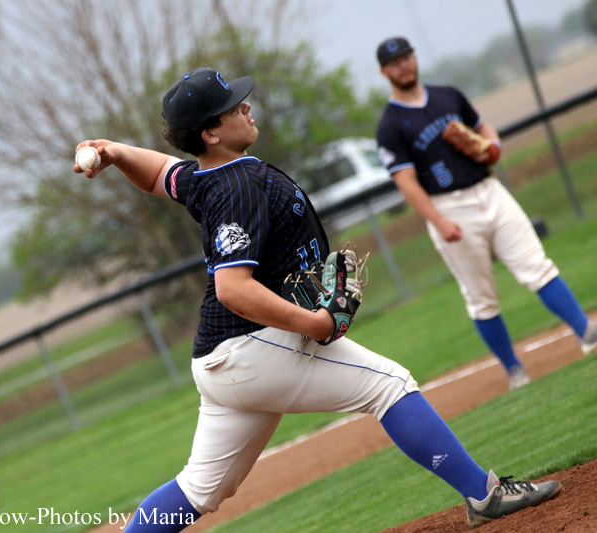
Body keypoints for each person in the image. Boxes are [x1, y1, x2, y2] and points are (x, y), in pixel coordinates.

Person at [74, 67, 562, 531]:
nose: (246, 106)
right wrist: (316, 325)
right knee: (389, 385)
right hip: (252, 347)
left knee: (201, 490)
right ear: (210, 134)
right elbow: (233, 288)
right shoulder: (238, 186)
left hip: (224, 356)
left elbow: (160, 173)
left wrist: (114, 151)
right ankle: (486, 495)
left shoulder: (208, 177)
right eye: (231, 107)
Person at [375, 37, 597, 391]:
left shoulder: (448, 94)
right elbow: (406, 181)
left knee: (536, 264)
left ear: (415, 58)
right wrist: (438, 220)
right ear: (384, 72)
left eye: (407, 57)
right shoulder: (390, 125)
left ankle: (586, 332)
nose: (404, 65)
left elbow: (484, 130)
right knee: (481, 296)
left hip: (491, 191)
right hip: (450, 207)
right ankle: (514, 371)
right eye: (395, 62)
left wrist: (493, 146)